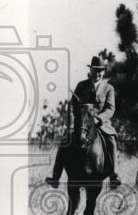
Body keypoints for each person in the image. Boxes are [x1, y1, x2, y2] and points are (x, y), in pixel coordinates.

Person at [46, 55, 121, 189]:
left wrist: (99, 118)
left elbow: (110, 108)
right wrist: (72, 123)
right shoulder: (81, 86)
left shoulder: (109, 88)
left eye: (100, 70)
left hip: (101, 124)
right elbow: (72, 106)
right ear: (91, 70)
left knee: (111, 139)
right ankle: (55, 176)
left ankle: (114, 175)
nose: (97, 73)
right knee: (65, 139)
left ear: (104, 72)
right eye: (95, 70)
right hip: (82, 124)